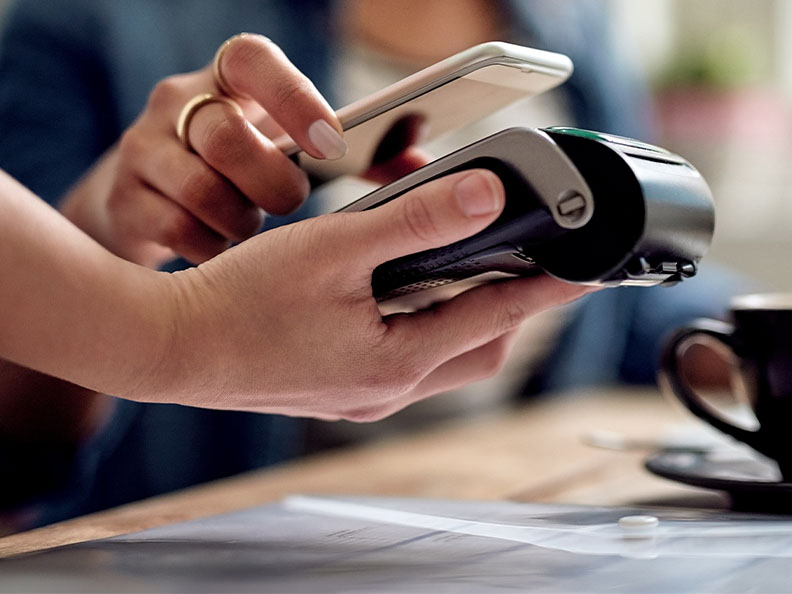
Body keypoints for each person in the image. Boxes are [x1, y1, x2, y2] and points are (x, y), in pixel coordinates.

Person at [0, 0, 746, 530]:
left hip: (505, 521)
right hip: (214, 541)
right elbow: (16, 453)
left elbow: (624, 300)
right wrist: (124, 257)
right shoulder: (99, 19)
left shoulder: (577, 27)